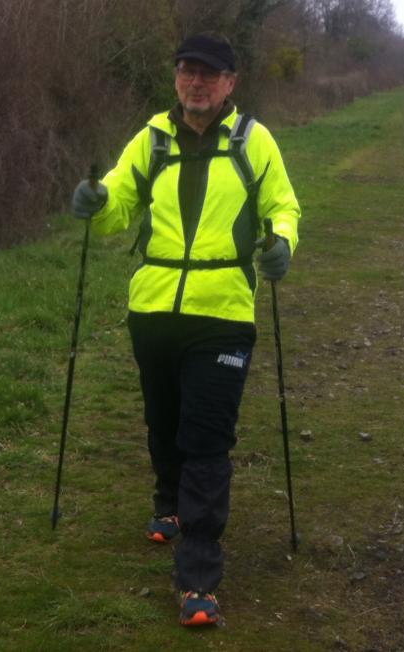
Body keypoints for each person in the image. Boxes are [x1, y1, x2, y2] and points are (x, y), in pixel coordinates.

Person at [71, 32, 301, 628]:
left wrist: (280, 245)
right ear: (176, 79)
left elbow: (283, 206)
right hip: (152, 307)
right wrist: (95, 201)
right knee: (163, 418)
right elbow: (118, 203)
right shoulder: (151, 139)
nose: (194, 82)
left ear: (230, 83)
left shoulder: (255, 141)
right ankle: (167, 501)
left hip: (223, 311)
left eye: (207, 74)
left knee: (206, 438)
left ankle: (198, 575)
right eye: (185, 72)